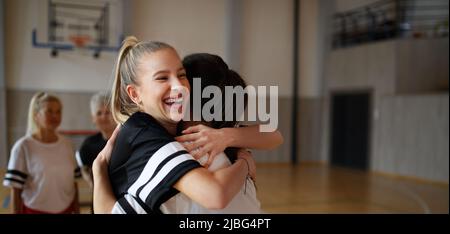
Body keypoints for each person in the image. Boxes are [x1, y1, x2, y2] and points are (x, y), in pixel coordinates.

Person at [92, 38, 283, 213]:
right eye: (162, 77)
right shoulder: (148, 135)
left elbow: (274, 135)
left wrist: (227, 135)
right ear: (135, 94)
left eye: (181, 75)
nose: (179, 86)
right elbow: (216, 195)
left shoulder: (205, 134)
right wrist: (245, 163)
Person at [3, 92, 80, 214]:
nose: (55, 116)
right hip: (33, 211)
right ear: (36, 115)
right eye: (49, 111)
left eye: (58, 111)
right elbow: (16, 190)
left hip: (67, 210)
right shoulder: (23, 147)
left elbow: (74, 184)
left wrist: (77, 211)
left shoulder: (68, 145)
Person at [76, 91, 116, 188]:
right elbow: (83, 168)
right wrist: (90, 181)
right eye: (99, 113)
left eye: (107, 112)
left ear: (115, 114)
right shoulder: (88, 144)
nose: (103, 117)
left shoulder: (126, 139)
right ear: (93, 118)